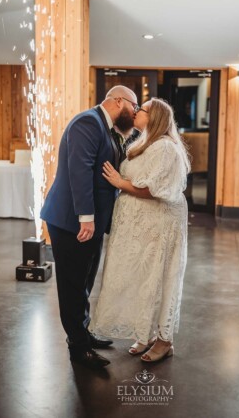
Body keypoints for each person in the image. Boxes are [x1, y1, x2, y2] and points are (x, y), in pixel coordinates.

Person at [41, 86, 138, 370]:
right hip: (73, 221)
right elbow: (79, 169)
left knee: (84, 281)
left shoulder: (107, 128)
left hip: (89, 222)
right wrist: (86, 217)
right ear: (118, 101)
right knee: (72, 285)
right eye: (134, 106)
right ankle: (78, 349)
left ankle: (83, 332)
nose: (135, 112)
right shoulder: (88, 122)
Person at [93, 98, 190, 362]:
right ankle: (145, 334)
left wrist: (119, 182)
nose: (135, 112)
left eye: (141, 109)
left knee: (159, 278)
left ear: (155, 117)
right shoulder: (144, 142)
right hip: (142, 226)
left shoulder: (166, 148)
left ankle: (164, 341)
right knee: (143, 278)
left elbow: (152, 190)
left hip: (158, 224)